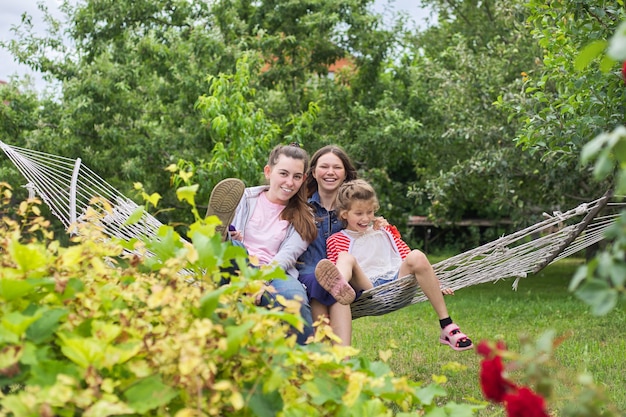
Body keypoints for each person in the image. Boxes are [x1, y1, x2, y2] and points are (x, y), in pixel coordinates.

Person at [315, 179, 474, 351]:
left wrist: (437, 283)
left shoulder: (383, 231)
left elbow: (405, 255)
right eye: (359, 213)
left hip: (397, 282)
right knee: (345, 258)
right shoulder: (337, 239)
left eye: (370, 212)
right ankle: (339, 287)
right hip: (368, 288)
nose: (366, 218)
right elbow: (337, 264)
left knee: (417, 255)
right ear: (344, 214)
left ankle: (447, 325)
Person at [208, 143, 318, 345]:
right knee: (234, 248)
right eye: (283, 173)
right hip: (235, 265)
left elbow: (287, 257)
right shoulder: (243, 198)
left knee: (296, 303)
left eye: (296, 177)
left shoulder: (305, 217)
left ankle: (303, 366)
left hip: (275, 273)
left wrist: (260, 282)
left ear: (303, 179)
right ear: (268, 172)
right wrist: (233, 236)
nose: (289, 182)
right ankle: (218, 238)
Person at [296, 145, 358, 344]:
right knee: (328, 285)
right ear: (313, 172)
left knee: (338, 284)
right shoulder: (300, 206)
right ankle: (336, 362)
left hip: (348, 277)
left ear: (345, 173)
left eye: (337, 168)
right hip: (308, 274)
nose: (330, 172)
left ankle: (338, 362)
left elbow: (381, 244)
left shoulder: (355, 209)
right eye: (324, 167)